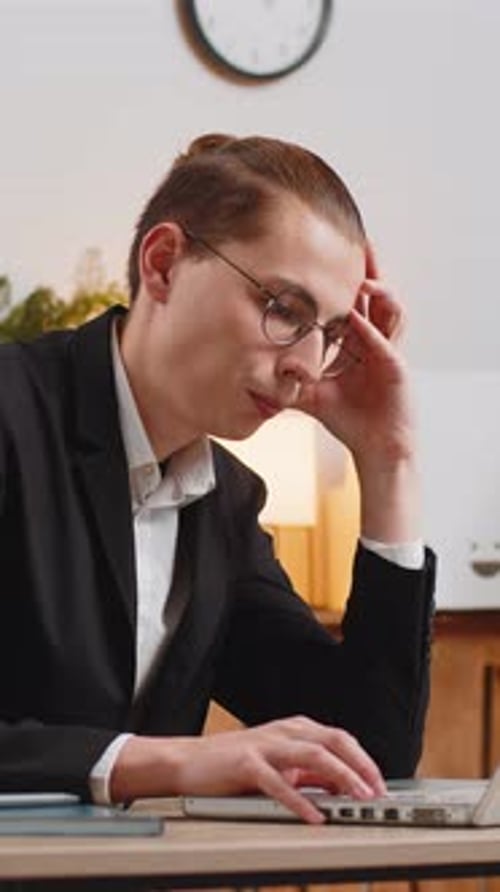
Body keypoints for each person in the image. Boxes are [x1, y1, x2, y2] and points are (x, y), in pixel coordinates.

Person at [0, 133, 435, 825]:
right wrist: (169, 760)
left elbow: (369, 750)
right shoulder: (13, 412)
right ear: (165, 264)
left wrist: (390, 463)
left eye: (329, 334)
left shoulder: (226, 503)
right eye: (285, 309)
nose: (305, 363)